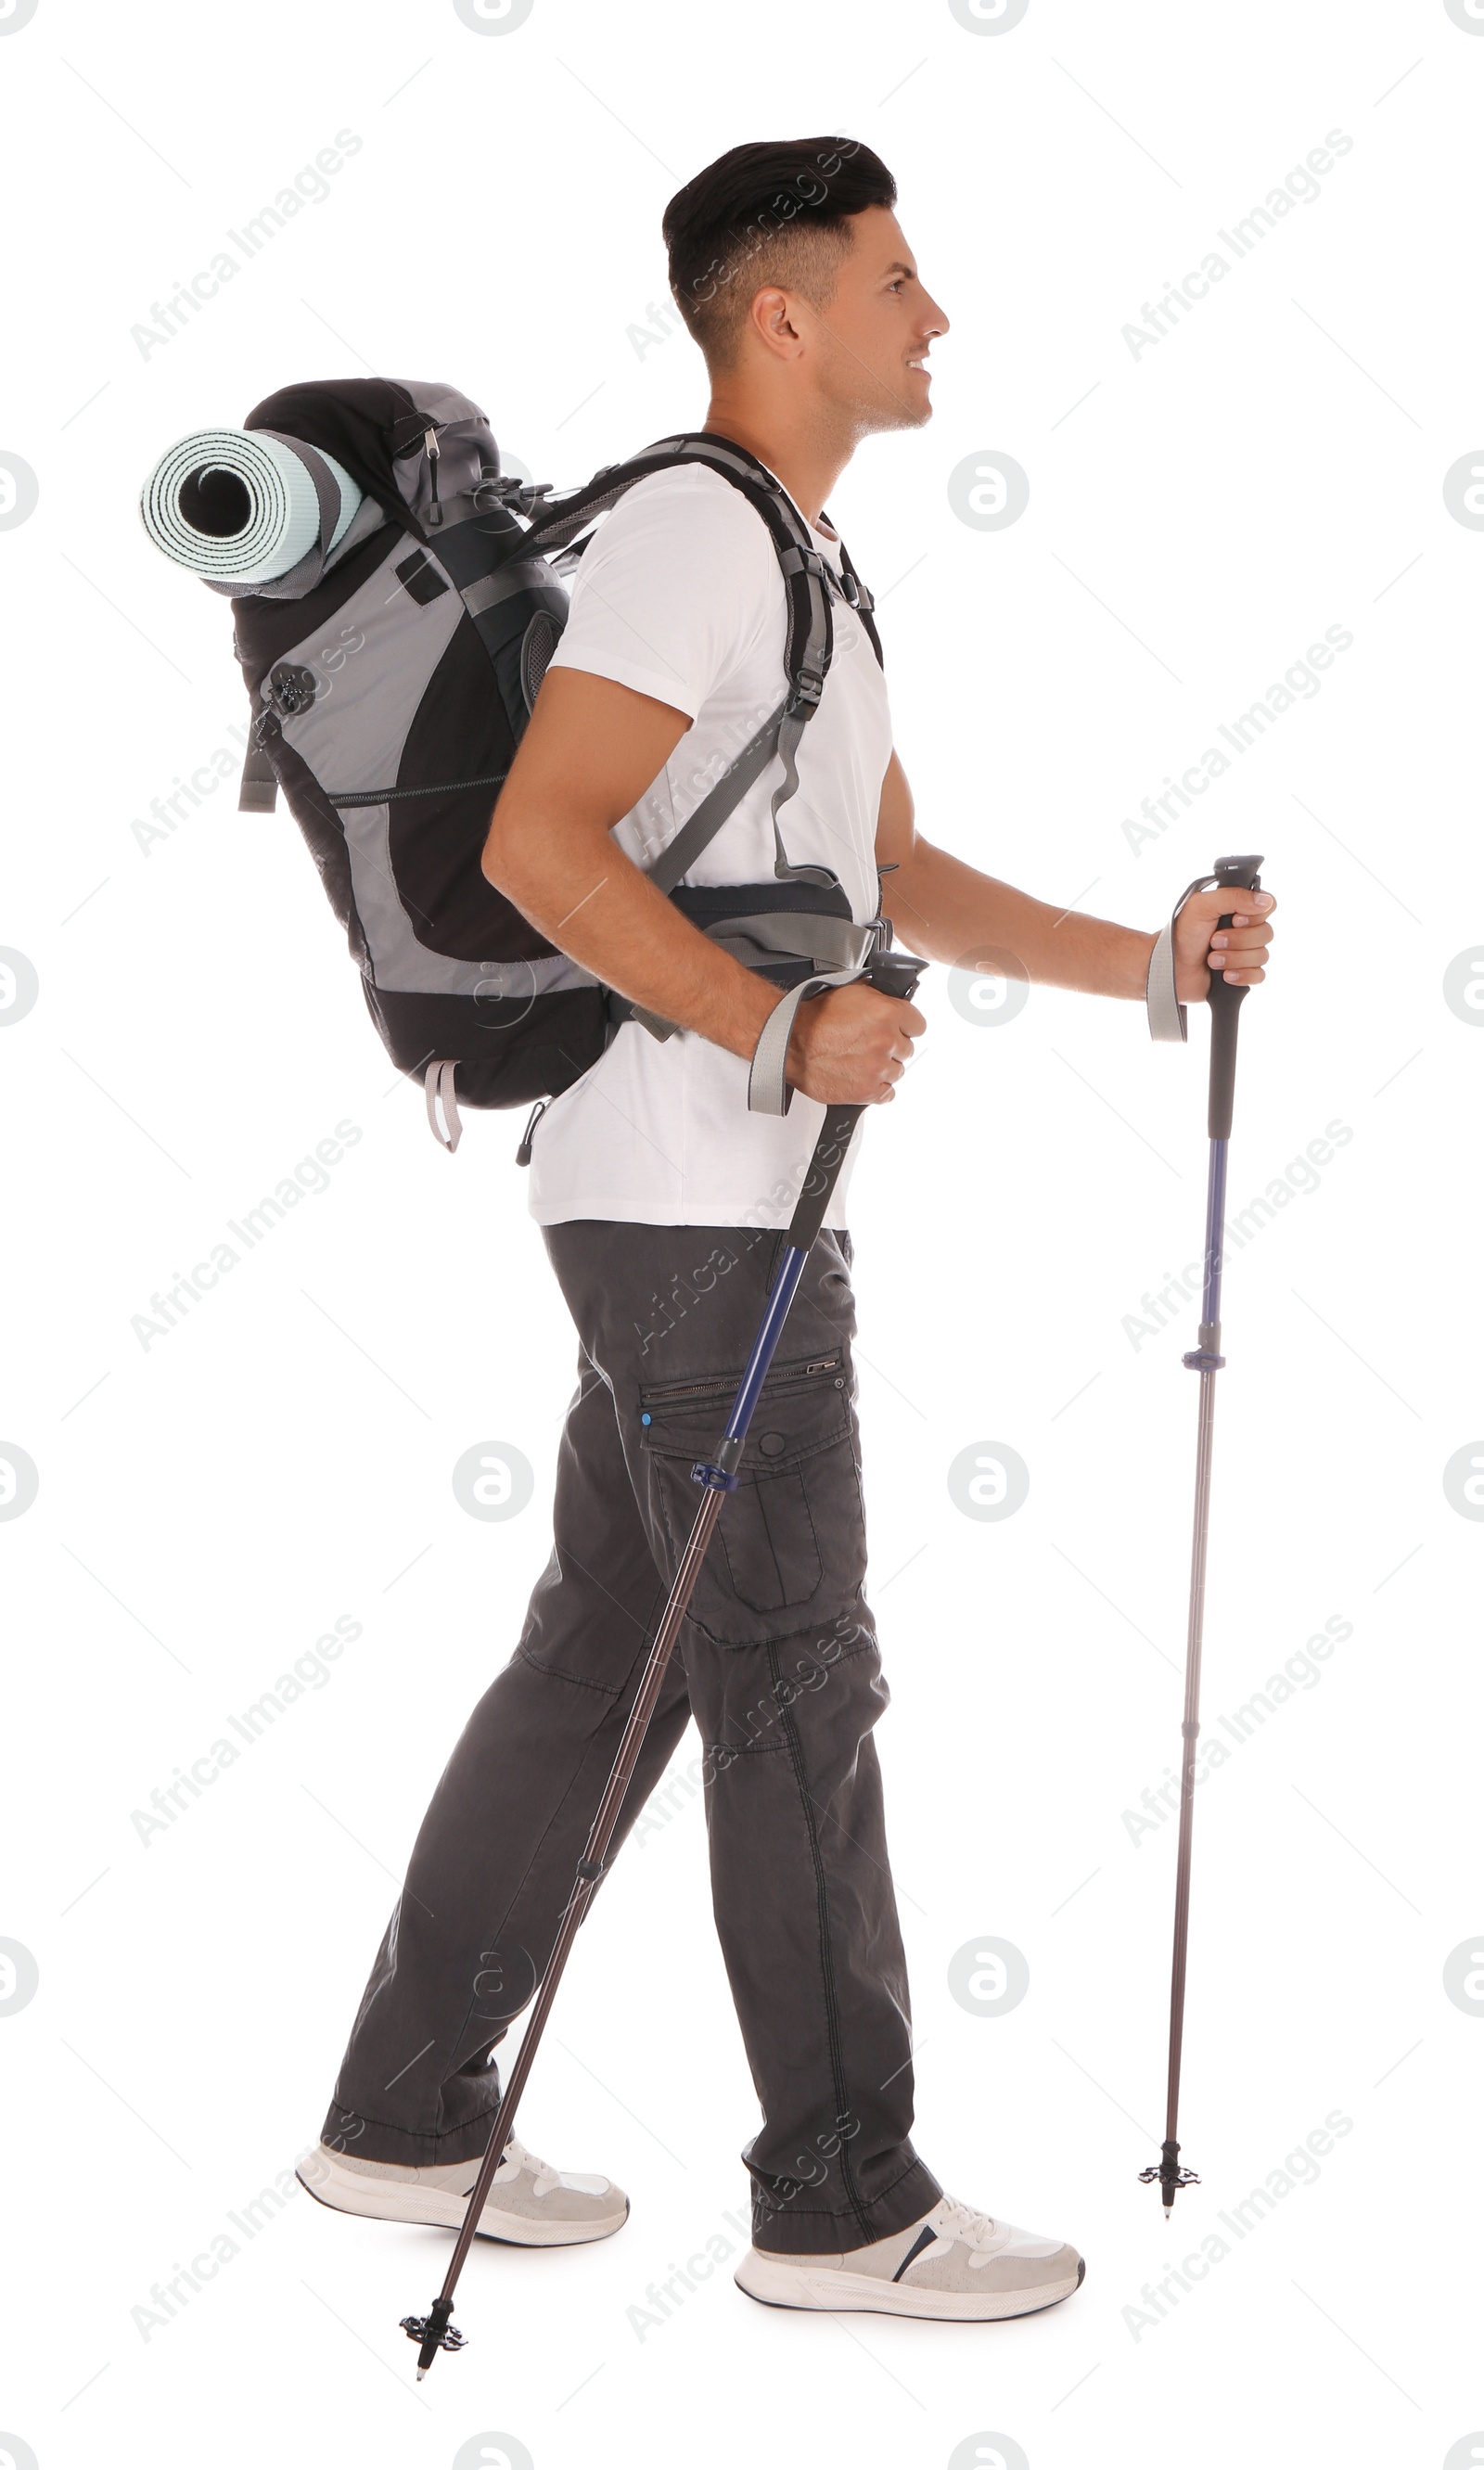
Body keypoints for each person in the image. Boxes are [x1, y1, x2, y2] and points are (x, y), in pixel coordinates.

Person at [298, 135, 1276, 2323]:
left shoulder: (800, 562)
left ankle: (399, 2113)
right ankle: (839, 2202)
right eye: (898, 278)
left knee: (602, 1663)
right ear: (780, 314)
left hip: (704, 1201)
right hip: (689, 1202)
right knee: (791, 1670)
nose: (933, 317)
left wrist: (1148, 959)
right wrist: (765, 1028)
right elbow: (554, 847)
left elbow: (888, 876)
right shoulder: (684, 540)